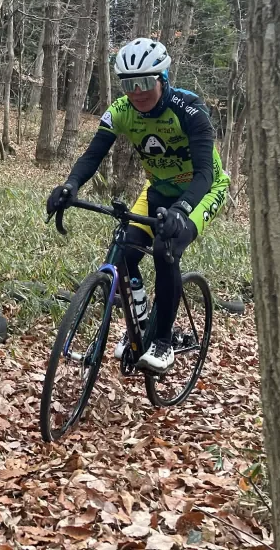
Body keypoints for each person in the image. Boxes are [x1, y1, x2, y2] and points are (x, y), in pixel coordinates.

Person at [46, 38, 230, 372]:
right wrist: (70, 185)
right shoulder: (121, 112)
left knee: (165, 249)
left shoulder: (190, 109)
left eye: (145, 82)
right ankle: (141, 323)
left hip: (201, 191)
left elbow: (204, 173)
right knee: (125, 254)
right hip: (158, 189)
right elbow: (92, 155)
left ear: (163, 78)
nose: (137, 92)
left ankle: (162, 342)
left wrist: (183, 210)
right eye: (129, 84)